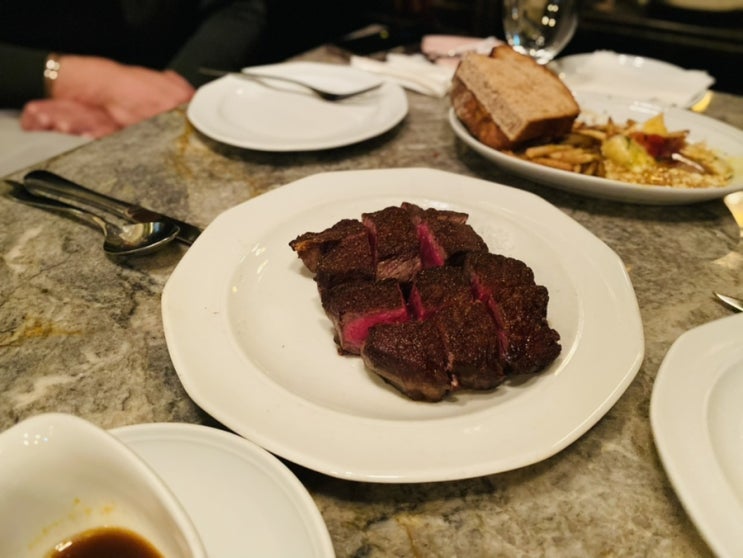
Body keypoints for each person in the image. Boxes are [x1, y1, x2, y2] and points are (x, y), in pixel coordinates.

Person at [0, 0, 270, 138]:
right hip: (24, 104)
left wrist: (171, 88)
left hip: (175, 93)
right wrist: (80, 81)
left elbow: (236, 7)